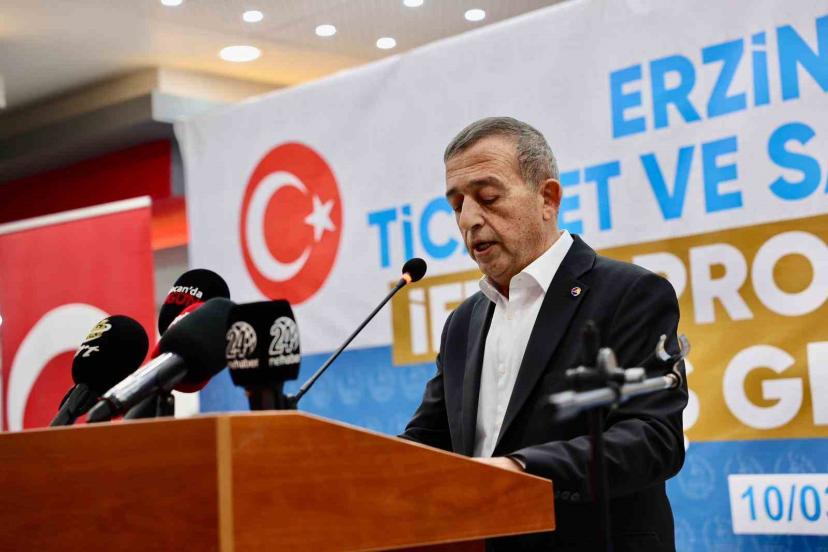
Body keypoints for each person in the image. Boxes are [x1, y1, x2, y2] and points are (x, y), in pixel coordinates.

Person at [401, 117, 688, 551]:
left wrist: (521, 469)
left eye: (488, 197)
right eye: (457, 205)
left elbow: (653, 439)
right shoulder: (463, 322)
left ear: (547, 199)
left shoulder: (630, 294)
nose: (469, 219)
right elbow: (430, 440)